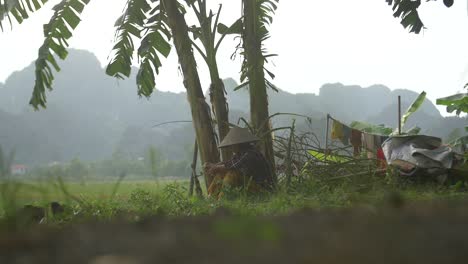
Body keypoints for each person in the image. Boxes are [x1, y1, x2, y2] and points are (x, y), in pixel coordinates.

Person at [204, 127, 274, 198]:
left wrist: (215, 167)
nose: (231, 147)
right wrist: (214, 165)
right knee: (220, 173)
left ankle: (222, 199)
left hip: (263, 190)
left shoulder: (250, 154)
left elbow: (232, 166)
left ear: (239, 144)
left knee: (233, 173)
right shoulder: (241, 153)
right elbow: (229, 162)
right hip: (251, 186)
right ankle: (210, 197)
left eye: (232, 145)